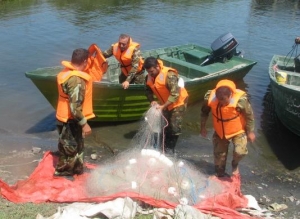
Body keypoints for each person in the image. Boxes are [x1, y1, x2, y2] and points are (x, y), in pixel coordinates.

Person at [200, 79, 256, 177]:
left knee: (240, 152)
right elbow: (204, 112)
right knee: (219, 159)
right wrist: (203, 127)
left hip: (237, 130)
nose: (223, 104)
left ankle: (235, 164)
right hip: (220, 131)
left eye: (225, 101)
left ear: (230, 95)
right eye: (220, 101)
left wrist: (250, 131)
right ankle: (221, 174)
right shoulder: (209, 98)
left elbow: (249, 116)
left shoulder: (241, 101)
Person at [54, 48, 95, 177]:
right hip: (70, 118)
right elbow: (74, 107)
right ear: (85, 61)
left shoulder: (67, 72)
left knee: (78, 144)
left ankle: (77, 168)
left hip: (68, 117)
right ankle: (63, 172)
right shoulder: (76, 80)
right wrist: (84, 123)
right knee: (69, 148)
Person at [143, 57, 189, 155]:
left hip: (178, 103)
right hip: (164, 104)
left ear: (157, 67)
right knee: (165, 125)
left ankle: (170, 149)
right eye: (148, 72)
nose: (150, 74)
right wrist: (152, 101)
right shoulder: (148, 77)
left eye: (152, 71)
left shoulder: (169, 75)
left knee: (174, 126)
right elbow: (147, 90)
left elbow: (175, 94)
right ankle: (164, 146)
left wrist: (164, 106)